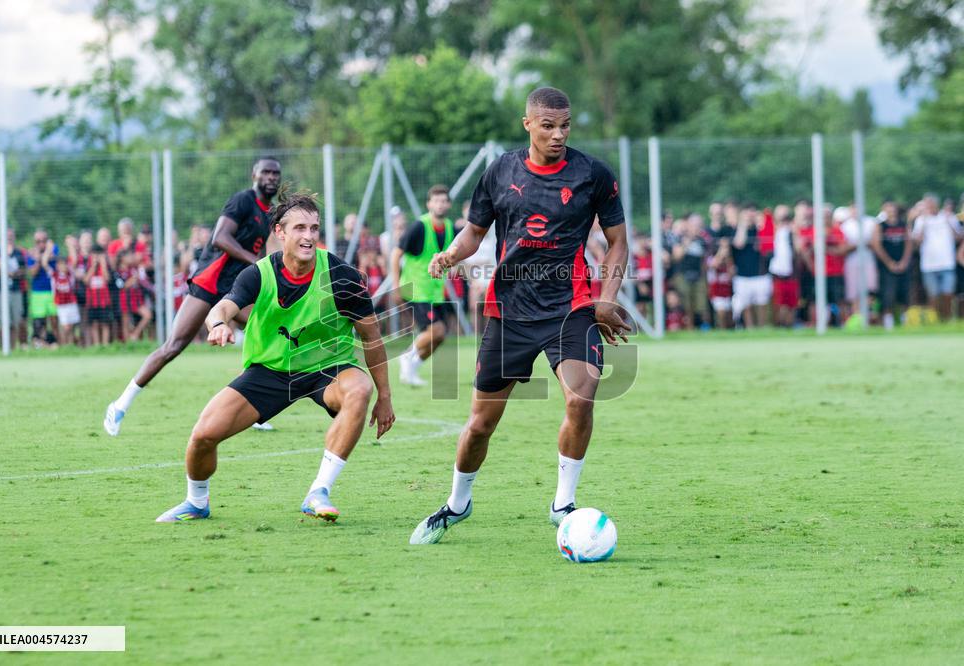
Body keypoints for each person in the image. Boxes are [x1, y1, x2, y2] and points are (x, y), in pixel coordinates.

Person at [408, 86, 631, 545]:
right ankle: (457, 503)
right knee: (479, 425)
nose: (558, 135)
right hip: (508, 311)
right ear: (527, 124)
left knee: (581, 398)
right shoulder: (501, 171)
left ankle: (563, 503)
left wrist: (606, 298)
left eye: (565, 125)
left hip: (571, 307)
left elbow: (618, 242)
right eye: (548, 126)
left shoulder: (593, 174)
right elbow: (473, 232)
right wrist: (450, 255)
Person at [155, 192, 395, 523]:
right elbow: (221, 308)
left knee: (359, 389)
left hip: (327, 367)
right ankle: (196, 502)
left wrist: (385, 396)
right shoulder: (257, 274)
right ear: (279, 232)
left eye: (314, 228)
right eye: (299, 228)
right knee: (202, 436)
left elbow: (372, 338)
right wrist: (219, 325)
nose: (309, 237)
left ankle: (318, 491)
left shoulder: (343, 276)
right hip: (271, 370)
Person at [104, 157, 281, 435]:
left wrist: (266, 273)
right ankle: (119, 405)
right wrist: (255, 263)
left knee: (266, 333)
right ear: (254, 175)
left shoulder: (267, 213)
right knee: (173, 346)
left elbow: (258, 252)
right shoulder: (242, 200)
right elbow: (220, 238)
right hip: (210, 282)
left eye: (276, 173)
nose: (271, 177)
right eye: (266, 172)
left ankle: (254, 409)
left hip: (235, 288)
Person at [390, 184, 456, 386]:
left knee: (440, 336)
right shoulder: (419, 227)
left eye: (444, 201)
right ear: (429, 204)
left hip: (435, 291)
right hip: (416, 290)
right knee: (436, 330)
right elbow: (396, 254)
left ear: (449, 204)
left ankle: (412, 368)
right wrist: (395, 285)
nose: (440, 204)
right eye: (436, 201)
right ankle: (406, 356)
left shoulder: (451, 227)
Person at [910, 194, 962, 320]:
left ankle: (947, 318)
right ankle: (935, 319)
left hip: (946, 262)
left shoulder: (947, 217)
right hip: (929, 264)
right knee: (933, 295)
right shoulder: (921, 220)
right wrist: (923, 222)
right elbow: (917, 241)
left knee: (947, 293)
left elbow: (958, 236)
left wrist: (949, 221)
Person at [871, 201, 913, 329]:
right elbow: (876, 245)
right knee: (888, 294)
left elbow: (908, 243)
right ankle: (888, 323)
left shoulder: (902, 224)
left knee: (904, 293)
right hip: (887, 267)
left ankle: (904, 321)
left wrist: (904, 261)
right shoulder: (880, 226)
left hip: (902, 265)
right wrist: (889, 263)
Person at [731, 202, 772, 328]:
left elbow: (768, 247)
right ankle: (750, 328)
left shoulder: (760, 230)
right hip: (743, 275)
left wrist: (761, 222)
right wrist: (743, 224)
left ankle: (761, 327)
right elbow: (739, 243)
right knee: (745, 305)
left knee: (762, 304)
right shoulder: (736, 230)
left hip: (760, 274)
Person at [27, 229, 58, 346]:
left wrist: (40, 256)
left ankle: (58, 342)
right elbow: (33, 272)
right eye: (38, 241)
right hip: (38, 293)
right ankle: (42, 343)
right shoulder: (31, 255)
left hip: (53, 292)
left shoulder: (54, 249)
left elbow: (53, 256)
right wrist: (40, 259)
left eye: (44, 241)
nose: (41, 244)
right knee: (39, 322)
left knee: (54, 320)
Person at [84, 244, 113, 346]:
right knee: (94, 324)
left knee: (105, 323)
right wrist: (93, 266)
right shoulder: (87, 265)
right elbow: (85, 280)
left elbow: (108, 279)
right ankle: (96, 344)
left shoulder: (106, 265)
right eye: (94, 254)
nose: (96, 257)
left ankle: (105, 345)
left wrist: (103, 265)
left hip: (104, 300)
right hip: (92, 301)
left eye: (98, 254)